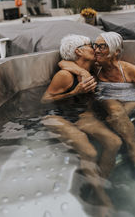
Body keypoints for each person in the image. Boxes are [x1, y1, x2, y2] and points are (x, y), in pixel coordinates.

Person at [41, 34, 122, 215]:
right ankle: (102, 199)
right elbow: (44, 100)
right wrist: (74, 92)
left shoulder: (91, 70)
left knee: (114, 142)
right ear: (78, 51)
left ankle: (95, 188)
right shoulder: (65, 75)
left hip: (81, 114)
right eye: (90, 45)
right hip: (56, 116)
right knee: (89, 151)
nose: (94, 48)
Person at [59, 32, 135, 174]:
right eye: (96, 45)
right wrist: (82, 72)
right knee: (116, 112)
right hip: (106, 95)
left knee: (118, 116)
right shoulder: (95, 66)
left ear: (116, 51)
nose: (96, 50)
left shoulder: (130, 70)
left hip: (131, 97)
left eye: (102, 46)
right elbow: (63, 62)